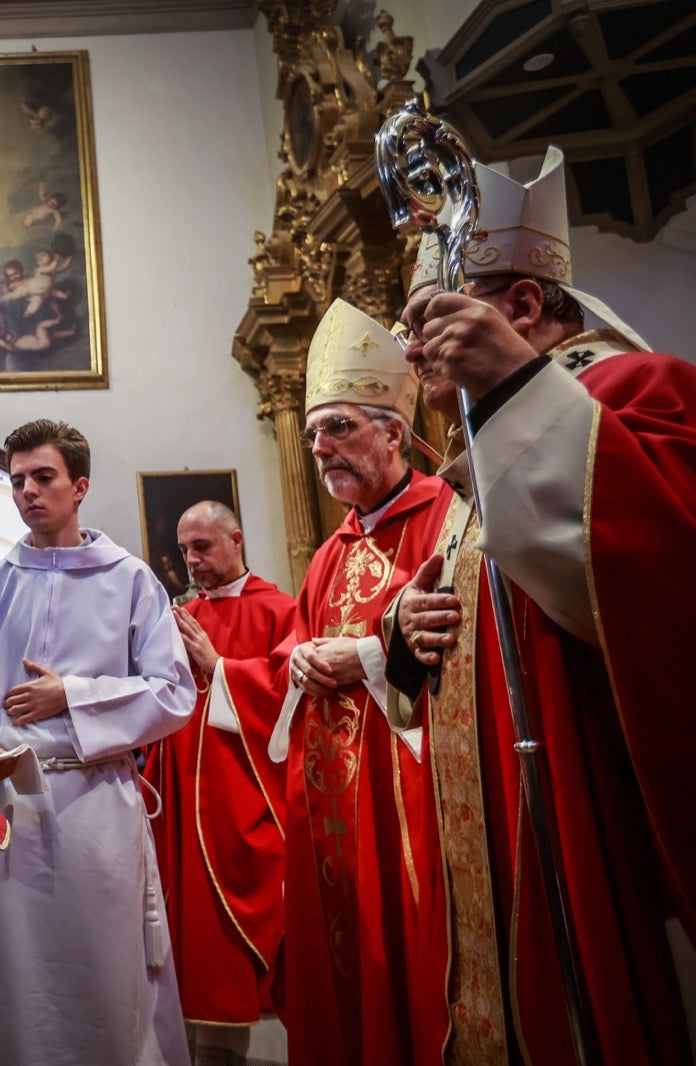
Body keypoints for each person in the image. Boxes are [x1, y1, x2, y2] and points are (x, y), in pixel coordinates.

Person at [384, 147, 696, 1062]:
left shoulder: (641, 390)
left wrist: (516, 383)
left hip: (595, 820)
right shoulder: (476, 462)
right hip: (502, 834)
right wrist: (407, 638)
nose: (409, 351)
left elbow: (661, 579)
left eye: (428, 319)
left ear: (519, 308)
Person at [0, 418, 195, 1065]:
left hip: (94, 803)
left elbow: (175, 692)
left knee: (104, 975)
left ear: (80, 485)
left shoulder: (130, 579)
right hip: (9, 810)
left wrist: (73, 696)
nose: (28, 490)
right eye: (18, 480)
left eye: (44, 477)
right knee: (18, 984)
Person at [248, 298, 448, 1066]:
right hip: (332, 801)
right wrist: (299, 661)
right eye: (312, 432)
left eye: (338, 427)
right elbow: (303, 640)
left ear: (395, 432)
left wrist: (360, 658)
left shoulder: (444, 517)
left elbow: (457, 635)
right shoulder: (335, 548)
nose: (319, 448)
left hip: (408, 799)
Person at [141, 501, 296, 1066]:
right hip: (184, 800)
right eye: (184, 550)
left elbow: (291, 696)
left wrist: (221, 665)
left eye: (202, 547)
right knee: (193, 948)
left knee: (240, 949)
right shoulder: (184, 617)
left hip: (248, 801)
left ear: (237, 539)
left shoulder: (281, 609)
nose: (191, 561)